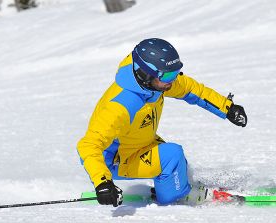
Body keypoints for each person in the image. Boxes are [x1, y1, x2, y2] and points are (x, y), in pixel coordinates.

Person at [77, 38, 247, 207]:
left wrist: (228, 108)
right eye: (168, 75)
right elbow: (89, 145)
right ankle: (176, 197)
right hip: (116, 159)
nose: (172, 80)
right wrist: (102, 183)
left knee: (178, 165)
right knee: (172, 156)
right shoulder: (120, 105)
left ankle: (176, 186)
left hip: (139, 142)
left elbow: (191, 88)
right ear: (145, 73)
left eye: (175, 73)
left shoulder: (157, 83)